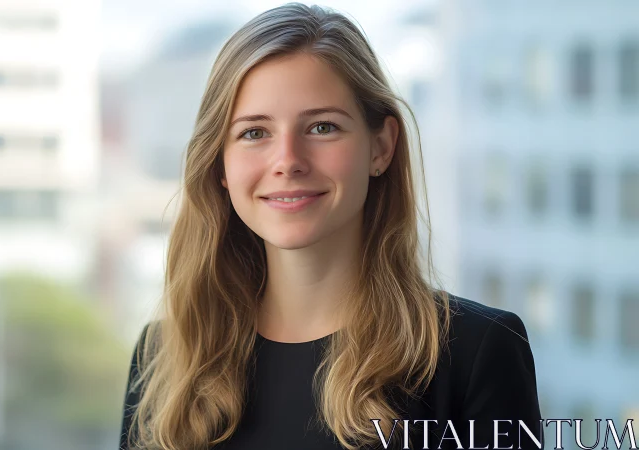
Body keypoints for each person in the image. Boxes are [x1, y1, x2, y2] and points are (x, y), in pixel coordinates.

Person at [119, 3, 543, 449]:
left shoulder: (476, 353)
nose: (288, 161)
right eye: (254, 133)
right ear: (219, 164)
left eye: (322, 127)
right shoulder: (164, 357)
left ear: (381, 147)